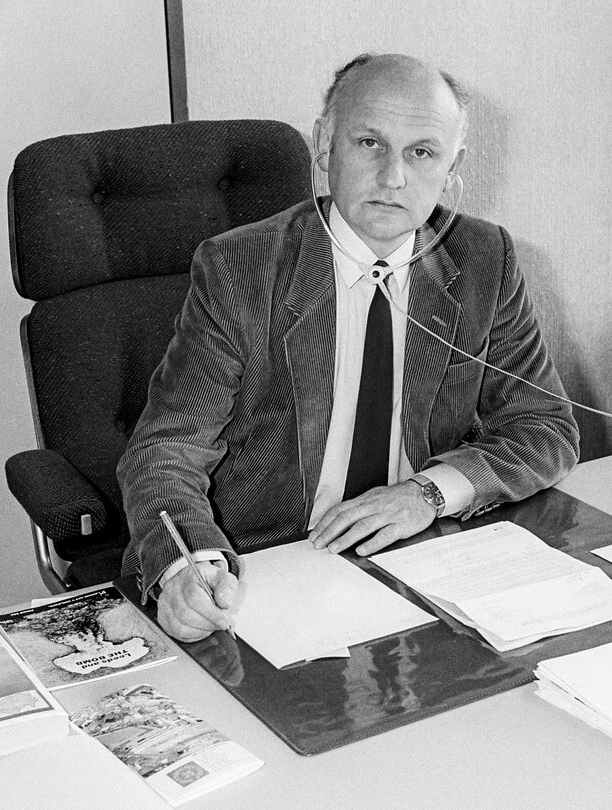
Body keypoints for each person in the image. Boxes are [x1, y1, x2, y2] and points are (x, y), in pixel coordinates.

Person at [117, 53, 579, 642]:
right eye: (368, 143)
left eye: (422, 152)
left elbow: (545, 427)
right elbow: (166, 448)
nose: (393, 178)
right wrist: (190, 566)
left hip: (418, 561)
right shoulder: (243, 267)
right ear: (323, 145)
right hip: (267, 571)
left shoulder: (484, 260)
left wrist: (429, 494)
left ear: (452, 167)